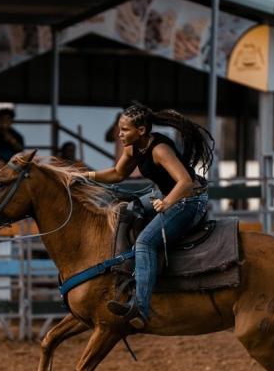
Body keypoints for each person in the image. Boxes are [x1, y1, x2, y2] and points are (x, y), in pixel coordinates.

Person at [86, 101, 213, 329]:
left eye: (124, 130)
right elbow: (117, 174)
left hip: (189, 200)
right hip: (163, 195)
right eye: (120, 128)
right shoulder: (132, 148)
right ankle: (124, 273)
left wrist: (166, 203)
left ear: (141, 130)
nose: (119, 134)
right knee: (125, 210)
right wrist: (87, 175)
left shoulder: (160, 150)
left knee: (145, 241)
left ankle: (140, 307)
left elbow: (185, 182)